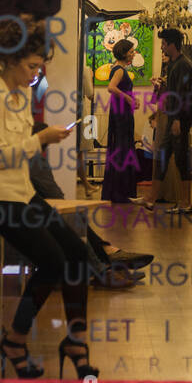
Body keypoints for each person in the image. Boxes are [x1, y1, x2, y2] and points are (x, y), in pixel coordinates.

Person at [0, 15, 97, 380]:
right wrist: (40, 139)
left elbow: (18, 149)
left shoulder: (21, 94)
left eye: (39, 67)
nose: (35, 74)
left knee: (76, 252)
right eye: (31, 66)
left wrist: (42, 135)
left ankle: (76, 340)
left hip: (20, 191)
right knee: (52, 260)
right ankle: (15, 340)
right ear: (7, 60)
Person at [27, 121, 153, 290]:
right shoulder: (33, 160)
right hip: (32, 214)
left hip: (30, 210)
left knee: (71, 216)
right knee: (69, 216)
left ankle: (106, 256)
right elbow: (55, 196)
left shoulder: (24, 160)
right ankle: (103, 263)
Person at [132, 27, 192, 216]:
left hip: (179, 119)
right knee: (161, 157)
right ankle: (150, 199)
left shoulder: (183, 65)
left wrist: (177, 120)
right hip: (172, 117)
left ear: (171, 44)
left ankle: (185, 203)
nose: (161, 47)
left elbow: (183, 94)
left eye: (163, 43)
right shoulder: (175, 64)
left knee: (181, 160)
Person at [100, 39, 141, 205]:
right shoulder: (119, 70)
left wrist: (132, 98)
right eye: (131, 51)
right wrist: (128, 99)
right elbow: (111, 87)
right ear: (124, 53)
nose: (133, 54)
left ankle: (119, 191)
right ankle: (120, 192)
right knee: (123, 150)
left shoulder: (118, 68)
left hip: (121, 112)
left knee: (122, 149)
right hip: (121, 115)